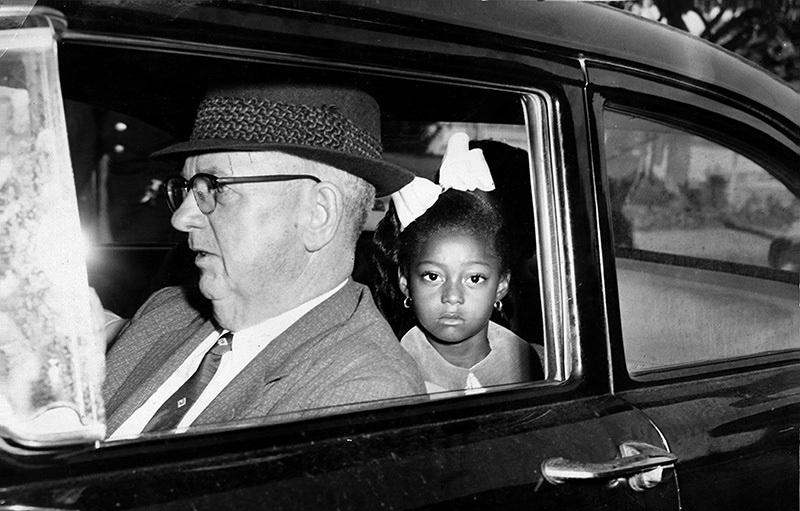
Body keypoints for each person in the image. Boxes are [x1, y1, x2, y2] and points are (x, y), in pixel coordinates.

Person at [104, 82, 425, 439]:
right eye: (186, 189)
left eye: (215, 187)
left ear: (318, 214)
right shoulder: (166, 311)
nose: (181, 218)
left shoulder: (363, 394)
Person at [373, 133, 543, 395]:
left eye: (474, 278)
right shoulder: (389, 374)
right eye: (432, 276)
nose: (452, 297)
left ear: (501, 285)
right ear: (405, 282)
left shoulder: (537, 363)